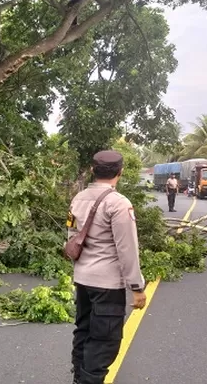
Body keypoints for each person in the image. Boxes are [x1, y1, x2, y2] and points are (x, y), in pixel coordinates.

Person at [69, 150, 147, 383]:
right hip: (107, 285)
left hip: (83, 280)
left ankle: (79, 378)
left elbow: (71, 236)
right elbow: (127, 249)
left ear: (93, 170)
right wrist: (137, 286)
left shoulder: (78, 198)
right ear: (120, 172)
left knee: (83, 331)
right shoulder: (119, 204)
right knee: (103, 341)